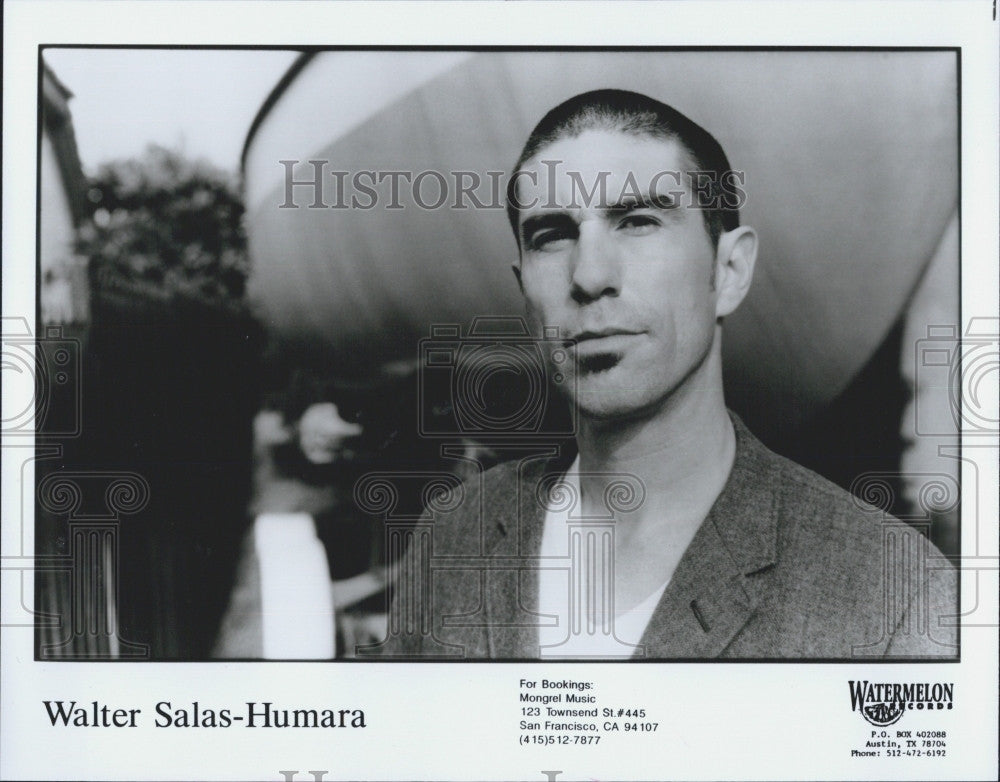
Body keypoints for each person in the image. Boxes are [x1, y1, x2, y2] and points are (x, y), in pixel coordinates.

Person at [375, 89, 957, 660]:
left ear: (729, 271)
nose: (589, 275)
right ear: (525, 294)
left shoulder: (893, 597)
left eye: (637, 221)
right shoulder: (454, 534)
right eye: (552, 236)